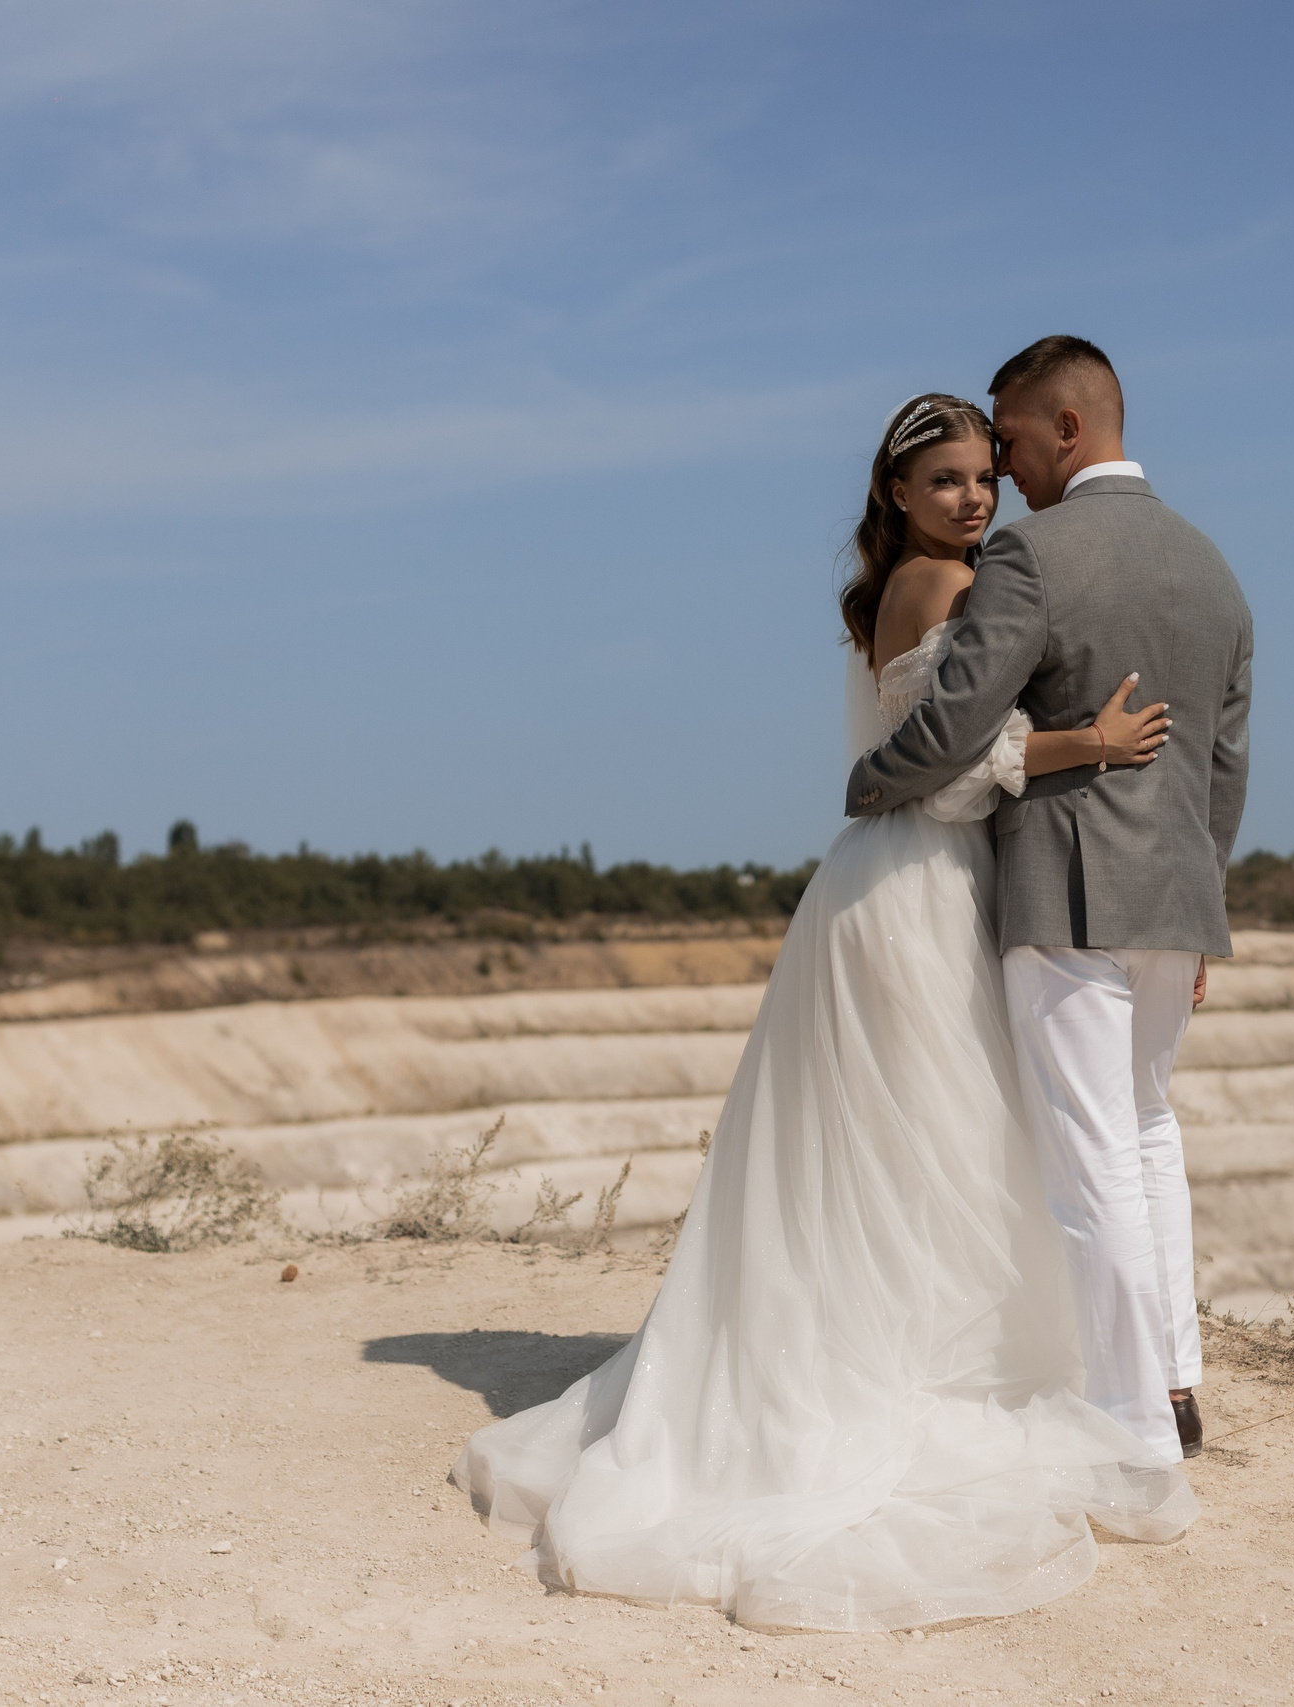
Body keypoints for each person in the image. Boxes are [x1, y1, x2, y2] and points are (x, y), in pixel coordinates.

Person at [453, 390, 1196, 1633]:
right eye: (947, 480)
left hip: (881, 887)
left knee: (894, 1156)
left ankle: (878, 1358)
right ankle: (913, 1381)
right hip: (916, 884)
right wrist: (1091, 743)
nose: (973, 498)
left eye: (982, 478)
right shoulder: (940, 590)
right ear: (898, 493)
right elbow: (956, 771)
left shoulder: (895, 589)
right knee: (934, 1150)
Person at [846, 336, 1253, 1467]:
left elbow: (954, 724)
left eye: (1012, 442)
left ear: (1065, 430)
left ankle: (1130, 1424)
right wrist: (1197, 899)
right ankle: (1175, 1383)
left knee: (1090, 1163)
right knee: (1150, 1131)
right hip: (1173, 900)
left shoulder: (1031, 554)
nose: (1004, 473)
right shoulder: (1212, 564)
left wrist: (870, 780)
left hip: (1065, 892)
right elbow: (1223, 764)